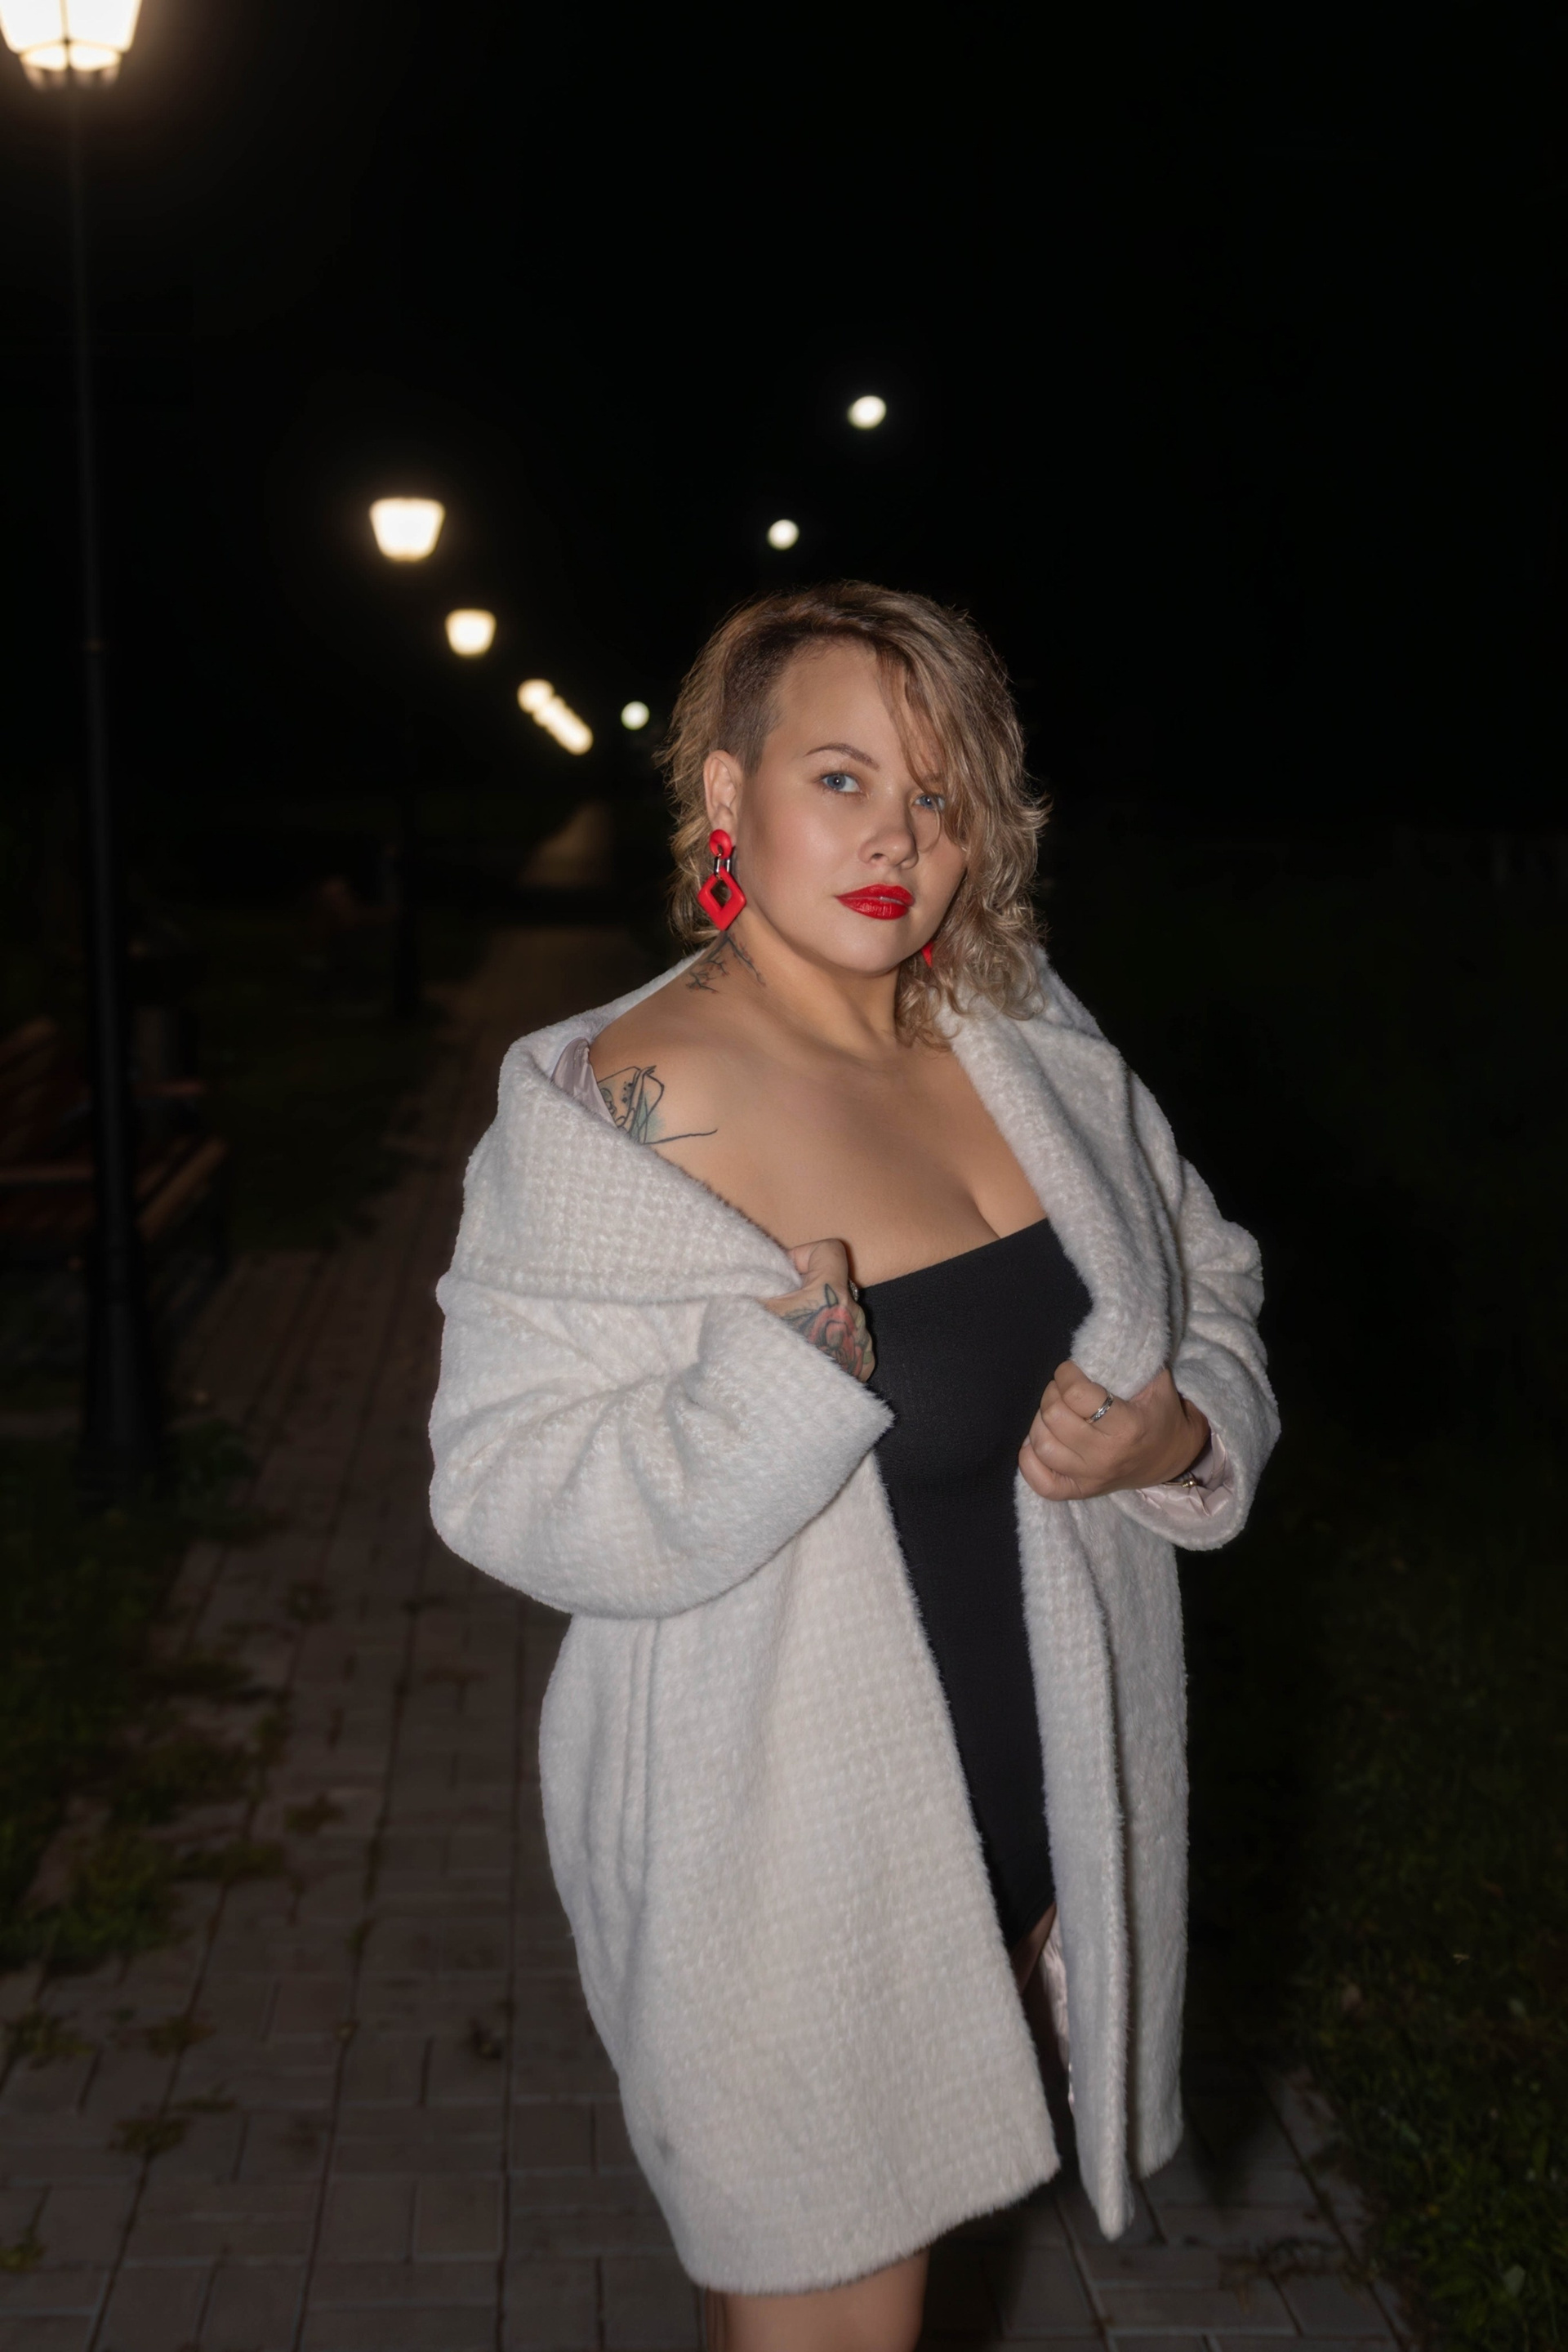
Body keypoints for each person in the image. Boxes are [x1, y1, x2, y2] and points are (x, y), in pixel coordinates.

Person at [429, 582, 1277, 2352]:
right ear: (723, 795)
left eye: (941, 794)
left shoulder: (1023, 1034)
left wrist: (1183, 1426)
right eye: (843, 778)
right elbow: (503, 1481)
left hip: (1050, 1826)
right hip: (788, 1878)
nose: (901, 836)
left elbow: (1204, 1273)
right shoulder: (613, 1109)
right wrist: (771, 1393)